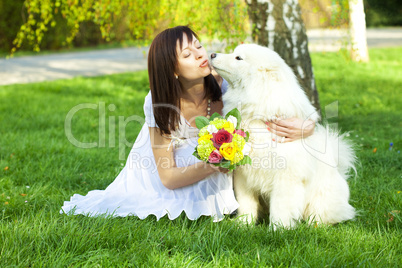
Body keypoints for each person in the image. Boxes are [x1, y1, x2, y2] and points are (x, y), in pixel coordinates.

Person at [61, 26, 315, 222]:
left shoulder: (227, 82)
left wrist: (307, 125)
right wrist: (214, 164)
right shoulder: (159, 103)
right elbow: (168, 177)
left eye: (198, 46)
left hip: (215, 164)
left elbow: (276, 100)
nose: (200, 55)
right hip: (176, 169)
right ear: (173, 69)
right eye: (187, 54)